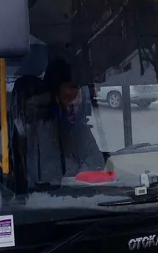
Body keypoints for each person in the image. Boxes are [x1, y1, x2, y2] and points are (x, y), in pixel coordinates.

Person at [25, 59, 105, 187]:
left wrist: (83, 176)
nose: (76, 100)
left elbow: (96, 161)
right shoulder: (40, 129)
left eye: (78, 90)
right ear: (55, 93)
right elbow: (51, 172)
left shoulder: (79, 128)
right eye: (71, 90)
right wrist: (80, 177)